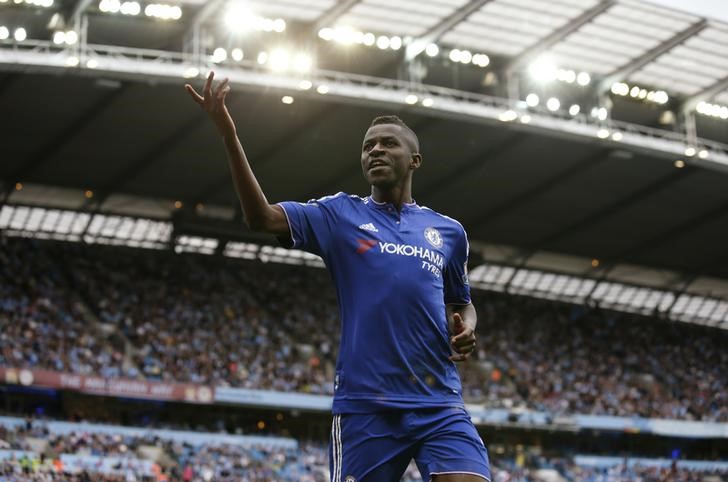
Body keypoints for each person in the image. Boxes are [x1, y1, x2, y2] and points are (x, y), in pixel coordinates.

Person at [186, 72, 490, 482]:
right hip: (366, 407)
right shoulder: (339, 215)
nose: (375, 151)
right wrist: (229, 136)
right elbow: (261, 218)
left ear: (414, 160)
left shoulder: (448, 232)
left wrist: (466, 328)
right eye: (368, 147)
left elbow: (460, 301)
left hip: (439, 402)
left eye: (388, 143)